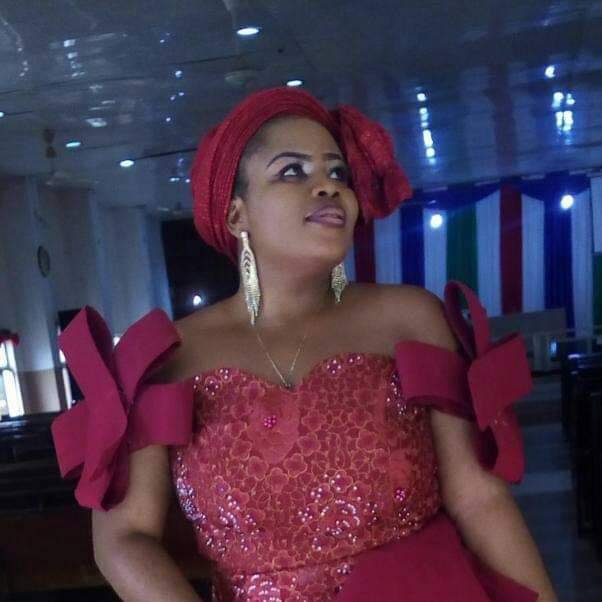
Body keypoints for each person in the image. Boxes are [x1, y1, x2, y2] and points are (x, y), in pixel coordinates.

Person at [51, 87, 557, 601]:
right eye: (292, 171)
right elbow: (123, 539)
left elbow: (478, 498)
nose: (327, 186)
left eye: (337, 173)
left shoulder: (410, 318)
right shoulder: (166, 356)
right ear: (236, 215)